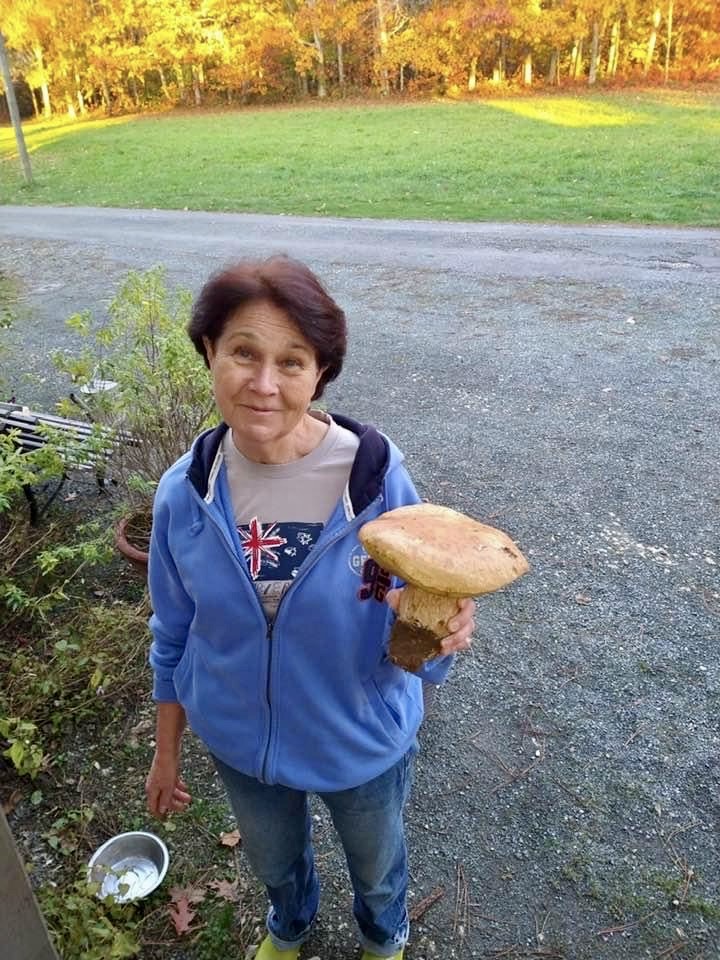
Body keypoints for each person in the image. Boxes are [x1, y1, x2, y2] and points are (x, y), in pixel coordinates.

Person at [145, 256, 475, 960]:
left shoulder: (374, 477)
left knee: (376, 866)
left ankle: (384, 934)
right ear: (208, 351)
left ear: (319, 372)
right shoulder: (185, 493)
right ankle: (290, 925)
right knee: (274, 863)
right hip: (240, 743)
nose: (264, 385)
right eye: (242, 352)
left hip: (358, 742)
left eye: (291, 362)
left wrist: (443, 633)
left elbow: (425, 596)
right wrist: (165, 753)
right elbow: (172, 634)